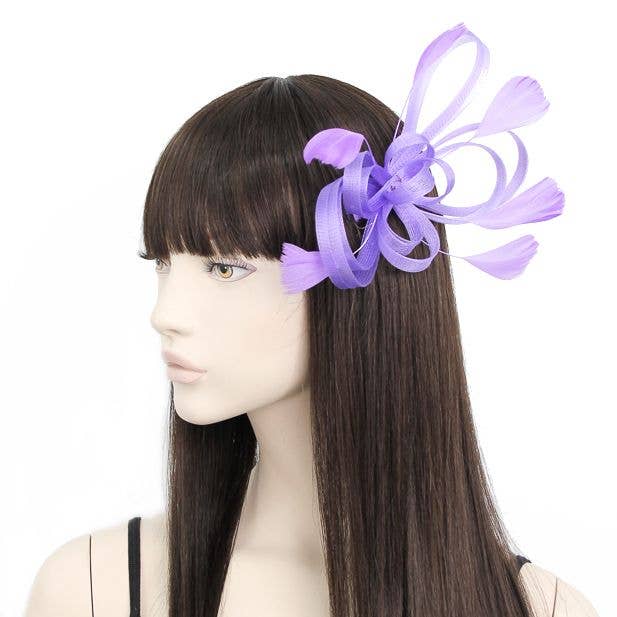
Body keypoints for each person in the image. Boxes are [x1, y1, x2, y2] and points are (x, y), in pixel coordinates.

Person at [25, 23, 600, 617]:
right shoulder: (88, 592)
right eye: (163, 262)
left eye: (223, 268)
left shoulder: (542, 609)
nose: (163, 314)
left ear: (354, 285)